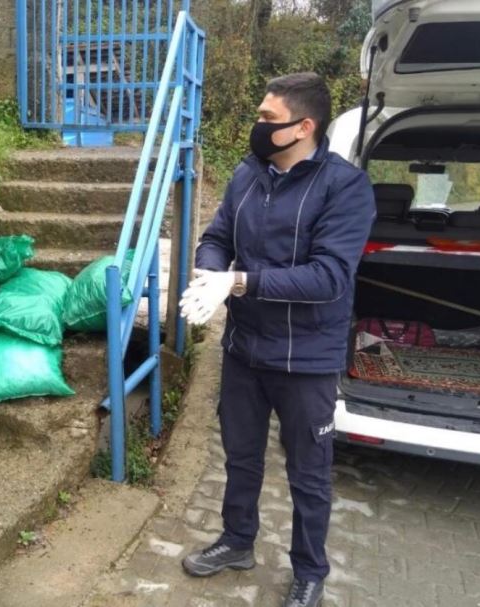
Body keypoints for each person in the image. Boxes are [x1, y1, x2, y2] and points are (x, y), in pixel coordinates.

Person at [179, 72, 375, 607]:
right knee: (240, 456)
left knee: (307, 472)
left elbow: (329, 276)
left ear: (303, 127)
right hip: (245, 347)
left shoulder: (345, 188)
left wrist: (238, 282)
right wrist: (208, 274)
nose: (258, 126)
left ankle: (309, 570)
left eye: (268, 119)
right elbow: (218, 236)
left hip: (307, 357)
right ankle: (238, 541)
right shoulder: (248, 174)